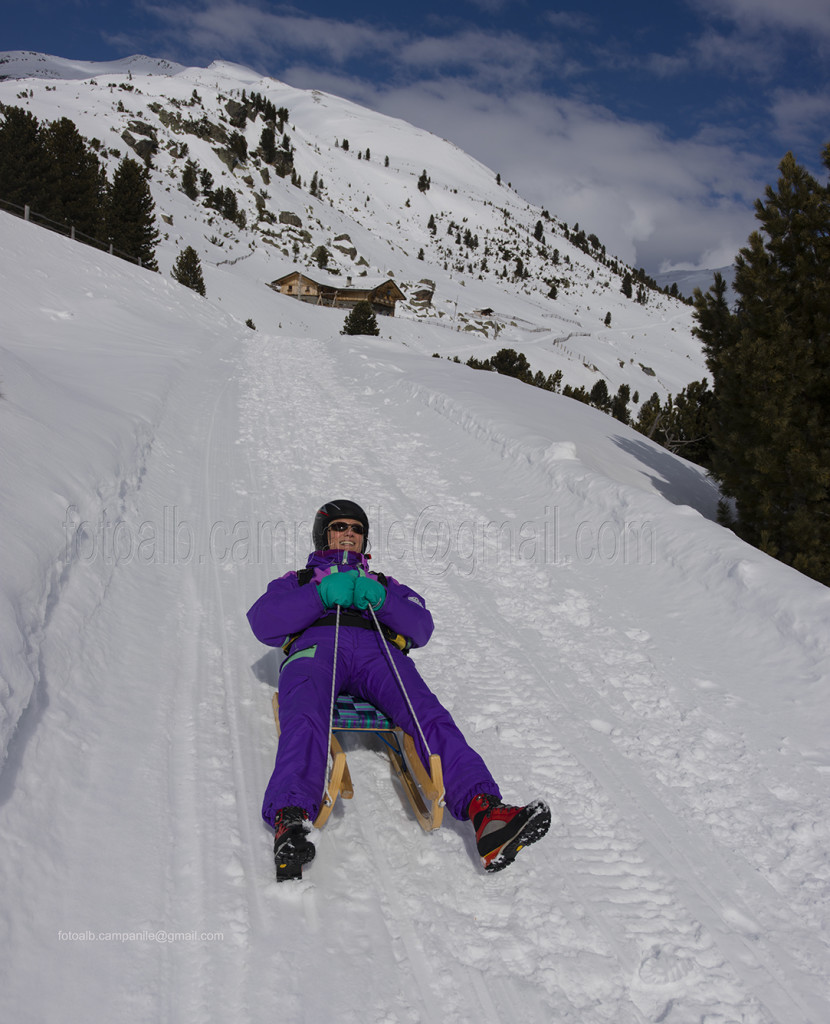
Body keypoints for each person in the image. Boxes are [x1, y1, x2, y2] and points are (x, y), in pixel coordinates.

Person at [247, 499, 551, 880]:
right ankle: (291, 820)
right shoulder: (299, 580)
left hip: (379, 652)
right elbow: (263, 621)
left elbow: (421, 627)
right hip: (317, 647)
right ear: (323, 534)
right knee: (306, 713)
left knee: (427, 714)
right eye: (340, 526)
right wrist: (320, 595)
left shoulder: (385, 583)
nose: (349, 534)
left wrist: (383, 600)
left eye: (357, 529)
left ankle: (486, 813)